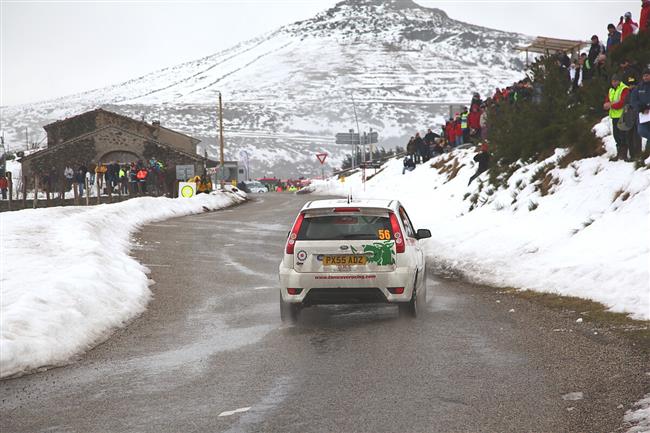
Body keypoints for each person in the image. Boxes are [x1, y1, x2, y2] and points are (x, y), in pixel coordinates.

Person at [604, 74, 631, 160]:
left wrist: (610, 105)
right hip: (614, 115)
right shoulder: (611, 90)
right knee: (616, 136)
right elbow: (607, 101)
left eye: (616, 81)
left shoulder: (624, 89)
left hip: (622, 115)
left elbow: (622, 102)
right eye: (613, 81)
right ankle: (619, 153)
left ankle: (624, 154)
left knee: (623, 135)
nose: (614, 83)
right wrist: (608, 104)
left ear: (619, 81)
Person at [630, 67, 650, 152]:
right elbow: (633, 101)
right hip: (643, 116)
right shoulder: (639, 87)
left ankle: (647, 153)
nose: (645, 77)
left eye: (647, 75)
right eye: (644, 76)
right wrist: (641, 108)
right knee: (641, 131)